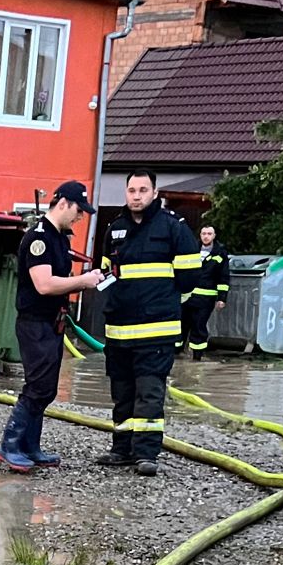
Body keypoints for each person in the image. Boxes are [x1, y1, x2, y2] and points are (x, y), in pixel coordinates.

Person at [99, 171, 201, 475]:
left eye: (143, 189)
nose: (136, 195)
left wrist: (162, 305)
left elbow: (189, 278)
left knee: (149, 392)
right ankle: (122, 449)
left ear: (154, 192)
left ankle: (146, 454)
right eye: (131, 190)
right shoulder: (115, 229)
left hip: (156, 330)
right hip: (119, 329)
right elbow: (107, 274)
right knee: (122, 392)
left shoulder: (173, 228)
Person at [0, 179, 104, 473]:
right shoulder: (39, 238)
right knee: (37, 386)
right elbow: (44, 284)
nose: (81, 217)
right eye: (78, 210)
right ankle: (10, 445)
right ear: (63, 204)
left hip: (52, 323)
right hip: (35, 323)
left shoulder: (60, 237)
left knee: (47, 389)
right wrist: (82, 282)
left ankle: (30, 446)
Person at [184, 223, 230, 359]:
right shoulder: (191, 249)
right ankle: (176, 357)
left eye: (209, 234)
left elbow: (224, 277)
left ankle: (197, 358)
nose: (206, 236)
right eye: (204, 233)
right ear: (200, 235)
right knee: (181, 326)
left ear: (214, 236)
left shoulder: (220, 253)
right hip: (187, 297)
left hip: (206, 298)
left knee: (199, 326)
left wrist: (222, 298)